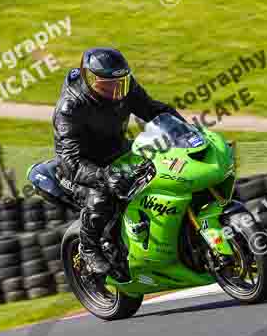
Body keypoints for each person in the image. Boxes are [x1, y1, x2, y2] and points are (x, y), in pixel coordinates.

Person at [53, 47, 182, 274]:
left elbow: (152, 109)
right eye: (107, 86)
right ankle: (89, 248)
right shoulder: (70, 107)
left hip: (116, 152)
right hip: (80, 167)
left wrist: (185, 131)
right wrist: (102, 176)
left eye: (119, 84)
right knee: (101, 198)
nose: (115, 91)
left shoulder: (126, 87)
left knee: (163, 168)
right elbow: (69, 160)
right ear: (89, 80)